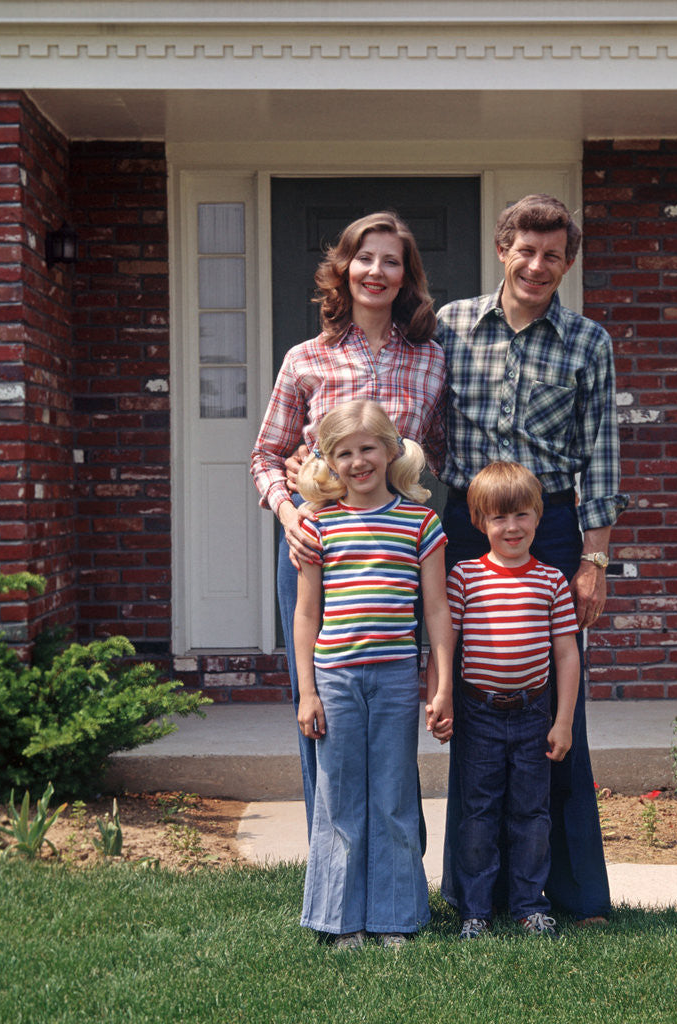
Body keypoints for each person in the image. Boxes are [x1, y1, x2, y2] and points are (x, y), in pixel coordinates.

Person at [436, 194, 627, 924]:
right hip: (466, 526)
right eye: (526, 250)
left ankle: (573, 894)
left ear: (567, 263)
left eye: (553, 255)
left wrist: (595, 560)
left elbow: (601, 453)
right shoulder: (451, 326)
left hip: (548, 529)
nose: (537, 266)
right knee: (474, 701)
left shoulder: (587, 343)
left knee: (554, 709)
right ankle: (473, 893)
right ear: (502, 250)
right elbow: (406, 414)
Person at [250, 211, 447, 835]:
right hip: (316, 550)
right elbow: (265, 455)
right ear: (344, 269)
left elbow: (440, 452)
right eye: (365, 259)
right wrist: (289, 513)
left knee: (392, 706)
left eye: (391, 261)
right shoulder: (305, 359)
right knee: (320, 710)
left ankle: (397, 860)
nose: (376, 271)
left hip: (393, 554)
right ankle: (331, 860)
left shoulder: (431, 361)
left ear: (406, 276)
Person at [293, 398, 454, 949]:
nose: (357, 462)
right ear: (328, 461)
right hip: (335, 678)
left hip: (395, 677)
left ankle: (395, 917)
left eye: (367, 449)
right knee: (339, 797)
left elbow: (436, 610)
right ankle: (342, 921)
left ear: (390, 451)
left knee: (393, 796)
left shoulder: (420, 523)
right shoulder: (318, 525)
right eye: (344, 453)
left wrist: (441, 684)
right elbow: (306, 615)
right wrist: (307, 692)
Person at [448, 462, 580, 941]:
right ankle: (475, 911)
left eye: (522, 514)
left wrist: (563, 721)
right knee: (478, 814)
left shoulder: (551, 581)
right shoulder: (464, 577)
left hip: (533, 714)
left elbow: (567, 654)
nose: (511, 527)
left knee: (531, 815)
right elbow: (445, 644)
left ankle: (529, 906)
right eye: (498, 517)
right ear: (478, 521)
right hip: (477, 713)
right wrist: (439, 699)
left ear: (539, 516)